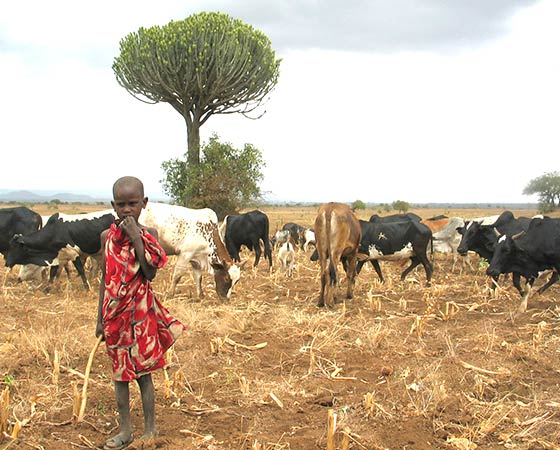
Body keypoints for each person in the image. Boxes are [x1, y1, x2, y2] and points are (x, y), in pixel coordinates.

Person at [96, 176, 184, 450]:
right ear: (113, 205)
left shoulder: (150, 236)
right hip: (115, 317)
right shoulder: (106, 238)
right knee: (120, 376)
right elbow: (104, 278)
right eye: (121, 205)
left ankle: (150, 431)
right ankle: (125, 430)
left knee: (144, 374)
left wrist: (135, 237)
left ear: (143, 204)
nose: (126, 210)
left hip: (141, 315)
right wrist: (99, 318)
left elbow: (150, 273)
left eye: (132, 204)